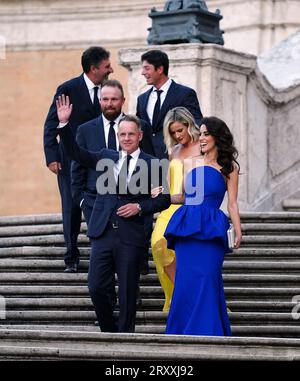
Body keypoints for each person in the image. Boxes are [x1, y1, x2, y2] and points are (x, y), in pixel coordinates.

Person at [56, 95, 171, 333]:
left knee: (129, 292)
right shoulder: (105, 156)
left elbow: (164, 198)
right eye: (122, 134)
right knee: (96, 286)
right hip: (102, 231)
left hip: (132, 234)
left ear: (139, 136)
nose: (126, 138)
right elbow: (76, 153)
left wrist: (140, 207)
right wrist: (64, 125)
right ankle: (108, 331)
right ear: (118, 136)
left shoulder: (153, 163)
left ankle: (125, 337)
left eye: (131, 134)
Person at [164, 116, 242, 336]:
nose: (203, 137)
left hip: (211, 229)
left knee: (207, 278)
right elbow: (182, 196)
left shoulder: (229, 167)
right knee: (185, 282)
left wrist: (238, 229)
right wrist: (163, 195)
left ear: (217, 137)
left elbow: (233, 203)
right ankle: (182, 334)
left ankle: (209, 333)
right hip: (187, 227)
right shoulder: (191, 162)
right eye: (202, 133)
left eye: (207, 133)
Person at [43, 46, 113, 273]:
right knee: (71, 209)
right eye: (106, 66)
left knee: (103, 206)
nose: (111, 69)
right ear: (94, 69)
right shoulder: (68, 89)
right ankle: (71, 258)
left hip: (99, 162)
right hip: (69, 160)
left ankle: (102, 256)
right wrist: (51, 156)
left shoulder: (108, 91)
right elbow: (51, 124)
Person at [151, 107, 201, 312]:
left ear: (189, 125)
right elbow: (174, 185)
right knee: (157, 243)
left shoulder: (203, 147)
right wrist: (162, 191)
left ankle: (188, 297)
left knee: (185, 254)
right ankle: (180, 292)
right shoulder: (174, 152)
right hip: (172, 206)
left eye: (180, 130)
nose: (177, 136)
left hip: (195, 206)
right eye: (173, 133)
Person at [136, 49, 203, 160]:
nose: (142, 73)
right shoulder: (141, 99)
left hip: (175, 159)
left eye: (147, 68)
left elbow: (196, 123)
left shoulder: (185, 94)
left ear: (160, 69)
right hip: (146, 163)